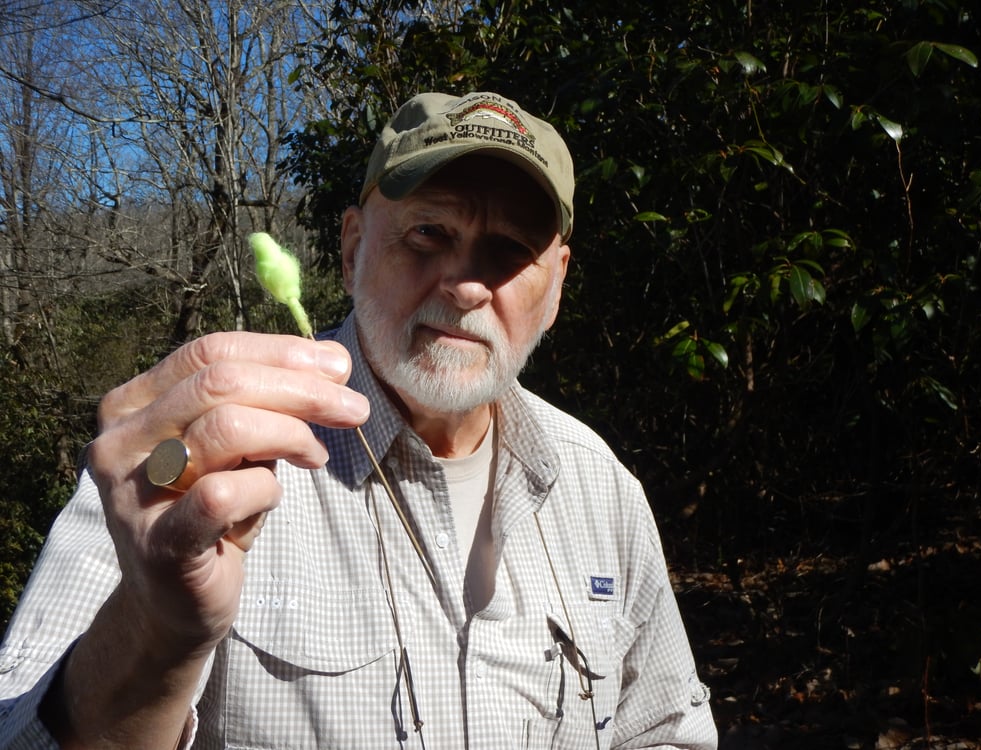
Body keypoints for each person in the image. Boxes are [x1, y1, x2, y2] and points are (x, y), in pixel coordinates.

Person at [0, 90, 717, 749]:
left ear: (555, 286)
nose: (467, 284)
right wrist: (153, 636)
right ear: (351, 251)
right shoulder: (198, 467)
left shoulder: (601, 490)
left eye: (509, 252)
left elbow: (664, 729)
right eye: (428, 233)